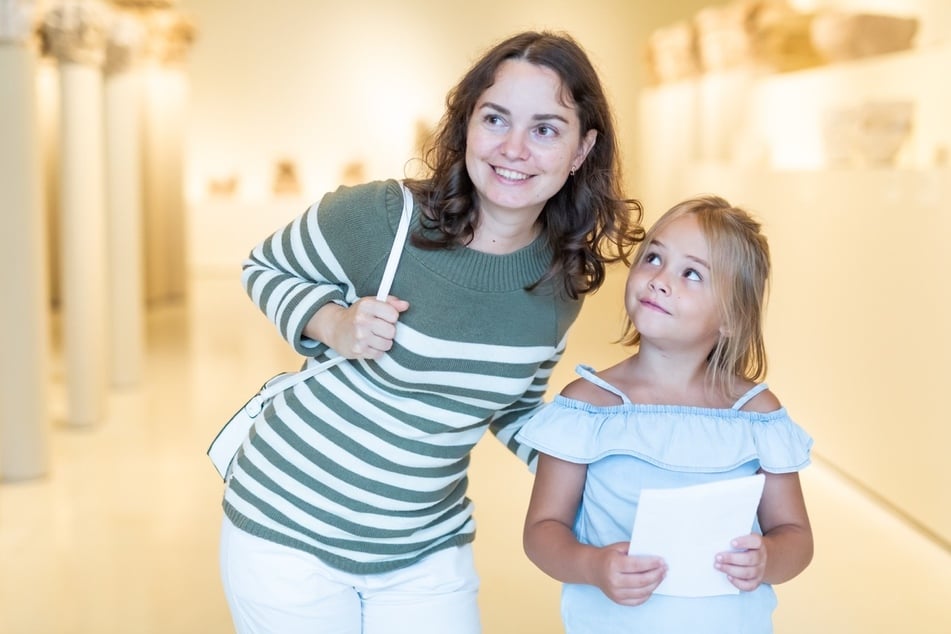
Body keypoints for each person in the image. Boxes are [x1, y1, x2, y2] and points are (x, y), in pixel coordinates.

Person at [218, 31, 645, 634]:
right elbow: (264, 266)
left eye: (546, 129)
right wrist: (334, 323)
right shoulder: (385, 218)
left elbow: (514, 406)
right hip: (289, 526)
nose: (514, 149)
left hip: (426, 546)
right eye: (496, 119)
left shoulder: (559, 281)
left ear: (581, 150)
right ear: (467, 124)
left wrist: (606, 469)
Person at [518, 196, 814, 634]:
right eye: (653, 257)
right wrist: (593, 565)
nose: (658, 279)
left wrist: (768, 559)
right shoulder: (588, 407)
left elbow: (796, 536)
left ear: (732, 318)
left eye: (691, 273)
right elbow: (542, 530)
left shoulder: (756, 416)